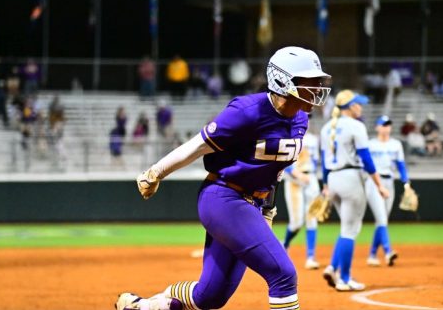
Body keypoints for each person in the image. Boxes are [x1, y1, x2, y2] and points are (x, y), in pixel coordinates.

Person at [115, 46, 331, 310]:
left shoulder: (300, 119)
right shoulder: (248, 110)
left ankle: (143, 306)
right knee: (283, 276)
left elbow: (274, 169)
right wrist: (155, 172)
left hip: (252, 204)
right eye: (310, 80)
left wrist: (268, 207)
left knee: (210, 297)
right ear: (283, 80)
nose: (317, 86)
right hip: (223, 197)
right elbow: (198, 145)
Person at [319, 90, 389, 292]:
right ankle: (345, 279)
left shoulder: (326, 128)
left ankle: (333, 267)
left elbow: (324, 162)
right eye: (358, 104)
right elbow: (366, 159)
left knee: (346, 228)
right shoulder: (356, 126)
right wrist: (380, 185)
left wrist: (325, 186)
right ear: (350, 106)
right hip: (351, 179)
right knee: (350, 231)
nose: (361, 107)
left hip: (333, 180)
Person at [365, 115, 410, 267]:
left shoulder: (396, 144)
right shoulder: (370, 144)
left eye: (388, 125)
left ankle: (372, 255)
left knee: (381, 220)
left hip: (389, 182)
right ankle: (388, 251)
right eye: (383, 125)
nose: (386, 127)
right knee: (382, 219)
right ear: (377, 127)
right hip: (374, 183)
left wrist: (406, 183)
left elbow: (401, 165)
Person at [282, 127, 322, 270]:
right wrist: (298, 175)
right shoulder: (288, 136)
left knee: (312, 218)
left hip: (311, 179)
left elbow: (317, 160)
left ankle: (311, 257)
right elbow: (283, 162)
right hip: (293, 181)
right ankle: (285, 244)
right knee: (296, 222)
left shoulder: (313, 139)